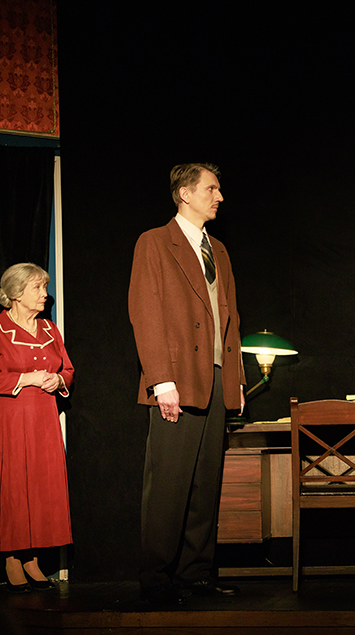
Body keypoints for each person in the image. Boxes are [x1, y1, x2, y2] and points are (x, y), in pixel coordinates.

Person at [129, 163, 246, 606]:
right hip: (176, 379)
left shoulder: (219, 249)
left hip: (215, 376)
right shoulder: (155, 242)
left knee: (204, 482)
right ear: (185, 194)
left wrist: (235, 380)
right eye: (211, 189)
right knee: (168, 484)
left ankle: (195, 573)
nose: (219, 197)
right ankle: (156, 579)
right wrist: (162, 380)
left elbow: (231, 320)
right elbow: (145, 312)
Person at [0, 263, 74, 593]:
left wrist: (58, 379)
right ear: (16, 294)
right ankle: (11, 557)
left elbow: (68, 369)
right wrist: (26, 378)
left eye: (45, 287)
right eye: (38, 288)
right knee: (13, 485)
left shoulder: (49, 329)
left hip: (43, 418)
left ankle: (32, 557)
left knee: (41, 486)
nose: (45, 294)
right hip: (8, 420)